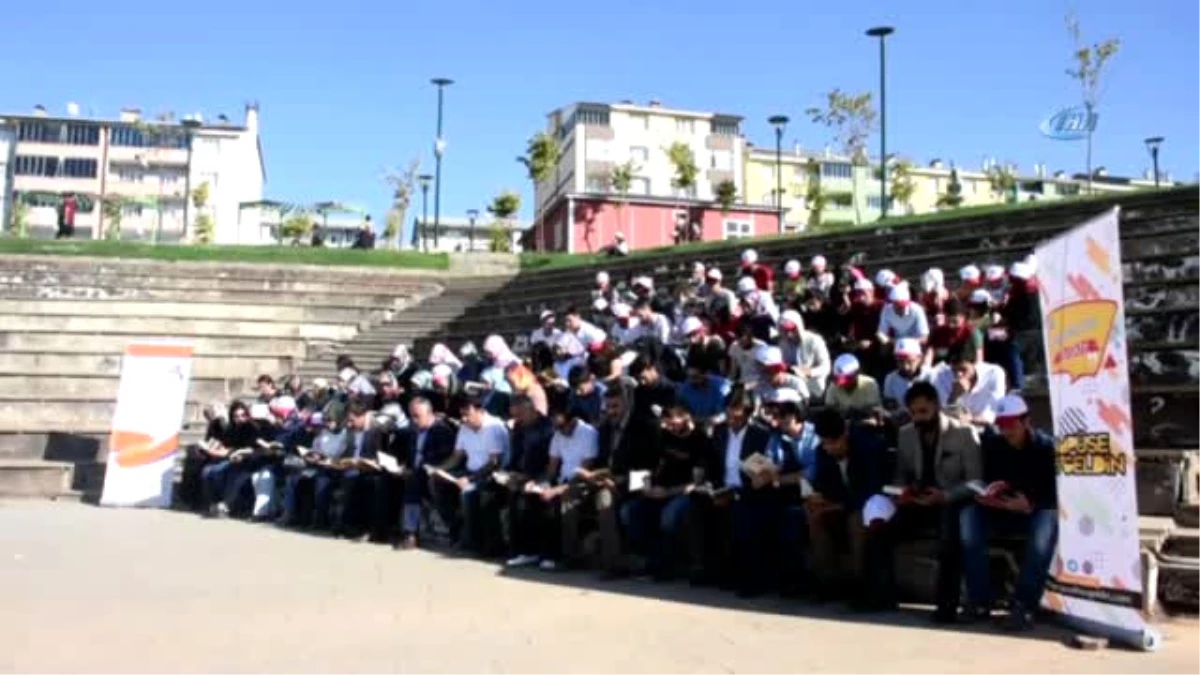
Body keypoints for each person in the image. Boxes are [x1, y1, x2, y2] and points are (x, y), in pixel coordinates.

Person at [891, 381, 985, 623]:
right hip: (919, 500)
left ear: (937, 407)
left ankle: (947, 604)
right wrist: (903, 492)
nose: (918, 418)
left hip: (950, 500)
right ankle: (880, 593)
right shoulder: (906, 434)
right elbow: (901, 475)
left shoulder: (964, 433)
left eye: (923, 411)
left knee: (949, 531)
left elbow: (976, 482)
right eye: (913, 413)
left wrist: (945, 496)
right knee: (880, 524)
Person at [967, 394, 1058, 631]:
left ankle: (1024, 606)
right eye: (1001, 425)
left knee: (1045, 525)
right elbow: (988, 480)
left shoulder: (1047, 447)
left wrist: (1030, 504)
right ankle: (979, 601)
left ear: (1026, 421)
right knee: (967, 517)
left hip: (1034, 512)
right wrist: (988, 495)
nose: (1006, 431)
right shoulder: (994, 445)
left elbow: (1057, 493)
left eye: (1011, 425)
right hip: (1001, 510)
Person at [732, 392, 815, 597]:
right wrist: (759, 474)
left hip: (809, 494)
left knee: (791, 522)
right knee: (752, 516)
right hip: (780, 492)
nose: (778, 421)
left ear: (797, 415)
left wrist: (777, 478)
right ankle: (756, 579)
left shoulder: (814, 436)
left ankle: (795, 581)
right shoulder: (776, 436)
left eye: (784, 415)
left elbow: (810, 473)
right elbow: (770, 462)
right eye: (776, 415)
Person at [807, 408, 891, 609]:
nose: (828, 448)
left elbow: (872, 488)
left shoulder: (868, 446)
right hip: (841, 502)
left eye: (833, 443)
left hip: (872, 504)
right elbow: (822, 484)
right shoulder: (823, 451)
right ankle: (828, 582)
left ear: (844, 436)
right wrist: (819, 499)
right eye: (825, 442)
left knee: (856, 519)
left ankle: (861, 585)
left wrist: (840, 505)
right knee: (813, 514)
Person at [620, 401, 708, 581]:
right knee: (630, 512)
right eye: (665, 422)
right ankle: (650, 562)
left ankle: (668, 567)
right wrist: (646, 486)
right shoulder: (665, 437)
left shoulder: (700, 440)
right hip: (659, 489)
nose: (667, 426)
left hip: (684, 493)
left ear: (686, 417)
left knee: (668, 516)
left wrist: (668, 493)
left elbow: (696, 482)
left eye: (671, 421)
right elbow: (652, 467)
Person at [692, 390, 770, 587]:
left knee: (743, 514)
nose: (731, 417)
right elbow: (710, 461)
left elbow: (761, 470)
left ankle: (748, 577)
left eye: (736, 412)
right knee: (697, 506)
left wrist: (737, 492)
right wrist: (708, 482)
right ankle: (708, 569)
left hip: (749, 491)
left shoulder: (760, 435)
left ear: (747, 413)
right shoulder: (719, 432)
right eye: (728, 411)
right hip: (722, 488)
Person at [433, 395, 509, 552]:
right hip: (469, 470)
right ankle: (457, 529)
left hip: (490, 474)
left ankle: (474, 541)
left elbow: (494, 463)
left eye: (468, 414)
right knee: (437, 482)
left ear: (480, 411)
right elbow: (457, 456)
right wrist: (440, 469)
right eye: (462, 415)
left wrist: (470, 479)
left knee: (468, 492)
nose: (464, 418)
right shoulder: (464, 427)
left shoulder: (493, 427)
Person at [395, 396, 458, 549]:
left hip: (433, 474)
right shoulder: (412, 432)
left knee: (413, 483)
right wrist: (402, 466)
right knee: (383, 480)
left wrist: (416, 469)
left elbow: (441, 457)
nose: (414, 420)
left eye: (417, 416)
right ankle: (382, 528)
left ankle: (410, 533)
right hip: (415, 473)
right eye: (412, 416)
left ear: (430, 414)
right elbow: (407, 455)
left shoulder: (442, 431)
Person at [932, 347, 1007, 426]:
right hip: (957, 428)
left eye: (963, 370)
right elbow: (944, 416)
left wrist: (971, 419)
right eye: (954, 370)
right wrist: (954, 396)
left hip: (985, 428)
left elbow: (993, 414)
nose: (958, 374)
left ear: (974, 363)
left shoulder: (994, 373)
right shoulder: (942, 376)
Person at [778, 309, 831, 400]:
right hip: (791, 383)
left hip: (813, 385)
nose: (789, 334)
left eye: (792, 329)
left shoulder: (814, 340)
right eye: (785, 330)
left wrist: (808, 372)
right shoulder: (782, 343)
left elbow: (826, 367)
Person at [824, 354, 882, 422]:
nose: (843, 384)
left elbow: (874, 409)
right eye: (838, 379)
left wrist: (856, 413)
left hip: (865, 424)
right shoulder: (833, 386)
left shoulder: (870, 384)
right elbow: (830, 409)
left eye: (847, 379)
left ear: (857, 373)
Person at [882, 338, 934, 411]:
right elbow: (890, 405)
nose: (905, 367)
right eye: (900, 362)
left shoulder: (931, 376)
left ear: (919, 358)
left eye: (910, 362)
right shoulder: (890, 379)